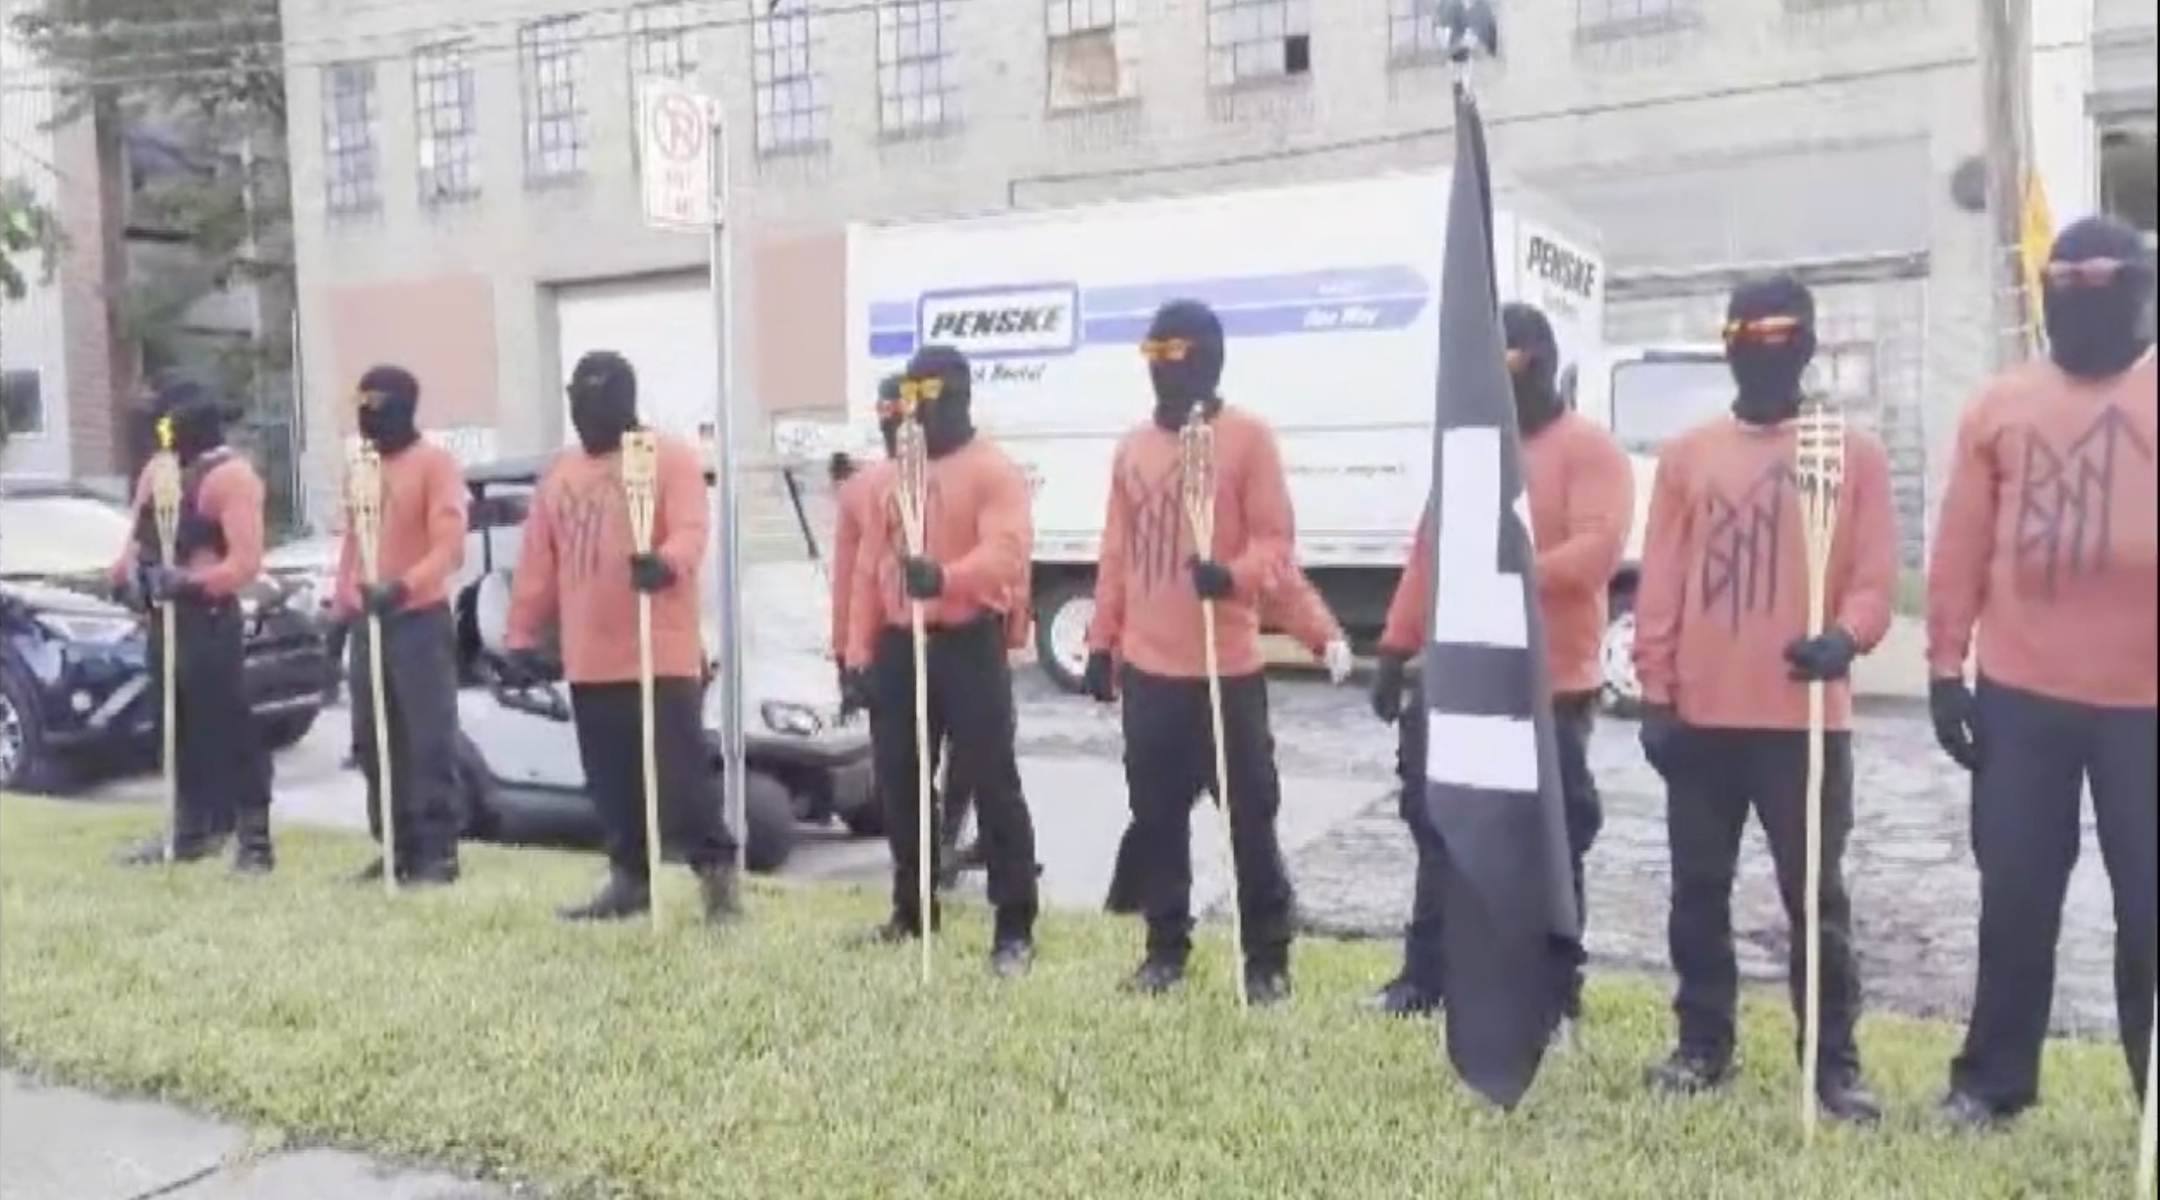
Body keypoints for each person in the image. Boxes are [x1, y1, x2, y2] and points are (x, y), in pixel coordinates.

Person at [1630, 275, 1896, 1123]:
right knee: (1696, 892)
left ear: (1809, 343)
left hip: (1803, 725)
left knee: (1815, 899)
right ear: (1728, 344)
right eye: (1746, 331)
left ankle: (1832, 1063)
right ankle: (1701, 1043)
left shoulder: (1851, 454)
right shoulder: (1687, 456)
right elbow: (1662, 581)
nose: (1763, 347)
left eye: (1781, 332)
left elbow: (1874, 582)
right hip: (1703, 721)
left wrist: (1846, 638)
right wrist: (1656, 691)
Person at [1928, 214, 2156, 1128]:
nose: (2081, 299)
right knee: (2015, 898)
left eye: (2102, 281)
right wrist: (1945, 667)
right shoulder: (2000, 406)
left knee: (2152, 911)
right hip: (2022, 697)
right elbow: (1961, 546)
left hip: (2147, 707)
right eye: (2064, 281)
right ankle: (1992, 1083)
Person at [1364, 302, 1634, 1027]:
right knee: (1439, 827)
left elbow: (1596, 550)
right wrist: (1394, 647)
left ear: (1543, 363)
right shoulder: (1469, 447)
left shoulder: (1589, 449)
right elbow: (1429, 556)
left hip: (1549, 683)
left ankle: (1552, 992)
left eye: (1516, 363)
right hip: (1458, 676)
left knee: (1550, 842)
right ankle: (1427, 975)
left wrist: (1506, 569)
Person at [1081, 298, 1299, 1005]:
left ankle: (1265, 956)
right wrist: (1100, 640)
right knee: (1156, 817)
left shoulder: (1248, 440)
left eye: (1169, 360)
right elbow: (1116, 553)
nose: (1158, 378)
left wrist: (1231, 575)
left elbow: (1276, 546)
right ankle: (1164, 947)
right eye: (1150, 361)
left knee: (1249, 816)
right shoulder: (1131, 448)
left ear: (1204, 359)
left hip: (1224, 671)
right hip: (1151, 672)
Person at [503, 350, 744, 926]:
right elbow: (539, 561)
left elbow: (692, 528)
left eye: (596, 401)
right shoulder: (560, 474)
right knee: (611, 783)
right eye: (576, 401)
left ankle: (718, 884)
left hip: (658, 653)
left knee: (680, 779)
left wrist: (665, 563)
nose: (585, 414)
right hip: (589, 657)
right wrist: (520, 633)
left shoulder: (668, 458)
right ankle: (630, 879)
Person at [840, 343, 1041, 974]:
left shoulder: (993, 471)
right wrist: (856, 650)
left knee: (991, 779)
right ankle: (911, 907)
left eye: (930, 400)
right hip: (902, 645)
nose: (918, 415)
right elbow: (871, 567)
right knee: (900, 782)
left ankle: (1014, 926)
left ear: (959, 397)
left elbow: (1006, 554)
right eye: (910, 401)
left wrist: (947, 577)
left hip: (967, 641)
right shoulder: (894, 476)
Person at [1102, 566, 1353, 915]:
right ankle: (1135, 902)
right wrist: (1103, 645)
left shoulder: (1232, 521)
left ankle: (1269, 916)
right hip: (1158, 680)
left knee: (1250, 808)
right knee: (1157, 810)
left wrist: (1322, 635)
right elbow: (1121, 577)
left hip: (1228, 682)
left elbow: (1275, 576)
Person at [107, 378, 274, 873]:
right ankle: (189, 830)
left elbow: (246, 562)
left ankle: (255, 841)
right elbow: (136, 541)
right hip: (163, 620)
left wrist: (194, 583)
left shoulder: (231, 478)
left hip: (209, 620)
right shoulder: (157, 473)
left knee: (229, 728)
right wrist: (124, 580)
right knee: (173, 728)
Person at [331, 366, 471, 886]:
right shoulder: (362, 469)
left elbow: (449, 547)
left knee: (425, 738)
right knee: (373, 738)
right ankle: (395, 845)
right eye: (359, 403)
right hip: (370, 622)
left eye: (375, 403)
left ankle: (437, 852)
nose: (365, 414)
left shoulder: (435, 465)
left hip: (417, 620)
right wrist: (340, 604)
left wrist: (403, 585)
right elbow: (352, 541)